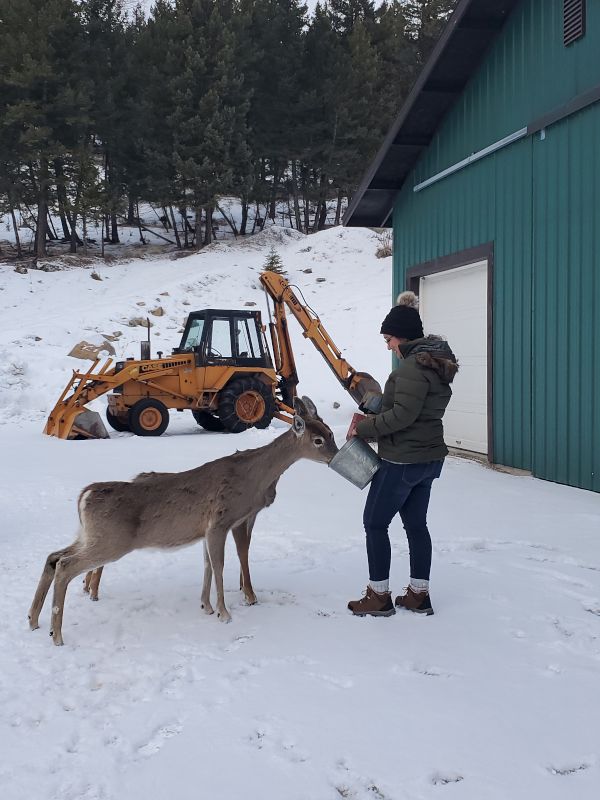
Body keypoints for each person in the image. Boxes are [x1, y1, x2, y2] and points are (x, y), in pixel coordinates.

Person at [347, 291, 458, 618]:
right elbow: (416, 411)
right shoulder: (435, 365)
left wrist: (364, 429)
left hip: (401, 461)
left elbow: (403, 417)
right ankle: (418, 595)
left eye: (389, 338)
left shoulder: (410, 369)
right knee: (416, 525)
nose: (387, 345)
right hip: (427, 460)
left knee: (374, 523)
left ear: (402, 337)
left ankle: (378, 596)